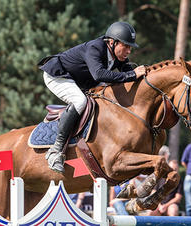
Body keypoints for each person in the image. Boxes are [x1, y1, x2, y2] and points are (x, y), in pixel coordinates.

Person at [38, 21, 147, 173]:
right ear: (112, 42)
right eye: (126, 46)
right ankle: (56, 151)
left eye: (130, 47)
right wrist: (131, 75)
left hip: (80, 79)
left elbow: (130, 74)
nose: (129, 51)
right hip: (58, 75)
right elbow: (100, 74)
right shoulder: (95, 48)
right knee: (80, 101)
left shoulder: (118, 56)